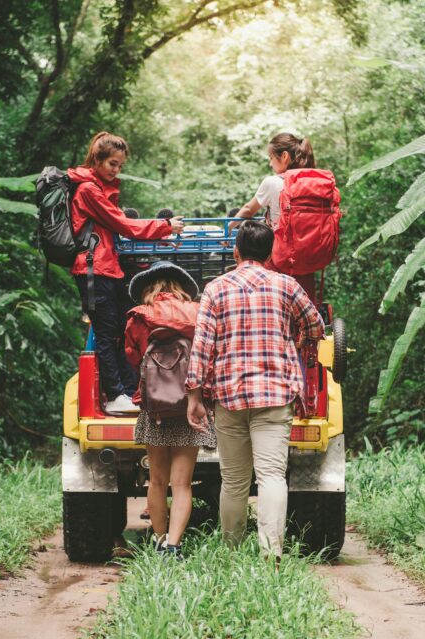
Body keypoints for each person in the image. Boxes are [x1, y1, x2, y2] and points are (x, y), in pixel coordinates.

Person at [185, 221, 325, 558]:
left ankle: (232, 551)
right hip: (276, 395)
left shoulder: (216, 288)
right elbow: (317, 326)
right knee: (272, 475)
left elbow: (202, 344)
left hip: (229, 397)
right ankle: (271, 552)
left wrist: (194, 395)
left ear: (236, 252)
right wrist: (296, 335)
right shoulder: (286, 286)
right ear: (271, 252)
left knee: (233, 480)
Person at [69, 132, 185, 414]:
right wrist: (165, 226)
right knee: (106, 333)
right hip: (94, 269)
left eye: (120, 165)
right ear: (96, 159)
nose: (116, 170)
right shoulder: (88, 191)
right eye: (112, 163)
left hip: (106, 267)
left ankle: (126, 390)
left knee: (120, 328)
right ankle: (114, 395)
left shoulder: (96, 188)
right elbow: (124, 224)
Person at [125, 261, 216, 557]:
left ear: (149, 287)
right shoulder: (196, 312)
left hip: (155, 409)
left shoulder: (140, 316)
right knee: (182, 484)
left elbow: (133, 357)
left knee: (157, 480)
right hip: (190, 405)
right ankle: (175, 546)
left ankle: (159, 539)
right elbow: (207, 355)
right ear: (180, 287)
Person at [229, 132, 318, 299]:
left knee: (274, 305)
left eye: (271, 157)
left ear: (284, 156)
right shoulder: (313, 184)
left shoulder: (273, 182)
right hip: (308, 259)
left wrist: (229, 226)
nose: (270, 163)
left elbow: (249, 209)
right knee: (305, 306)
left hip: (280, 259)